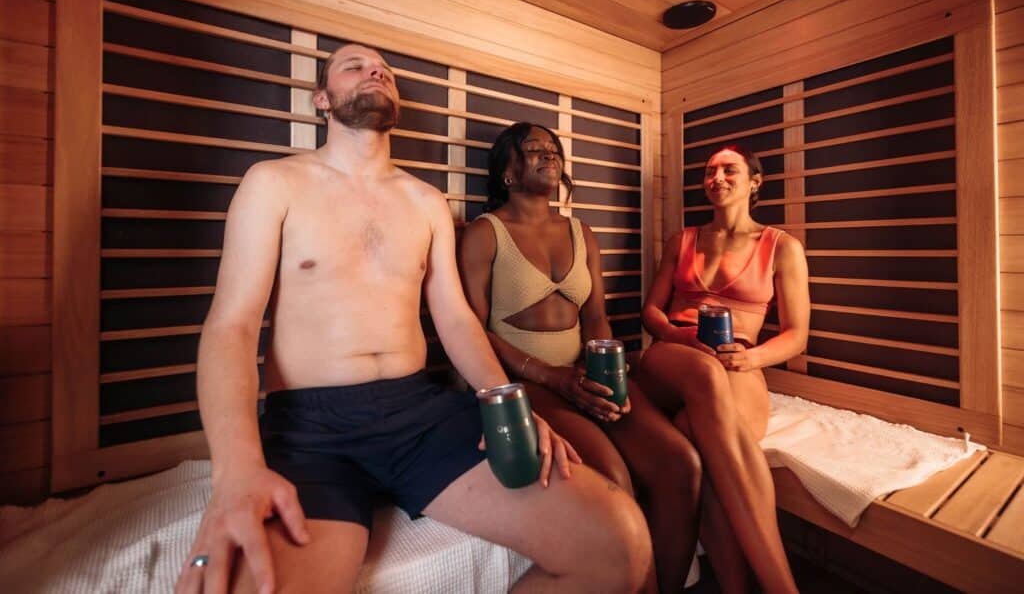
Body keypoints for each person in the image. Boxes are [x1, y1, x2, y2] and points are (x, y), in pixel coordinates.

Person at [175, 44, 652, 594]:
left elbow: (455, 319)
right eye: (354, 66)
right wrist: (235, 471)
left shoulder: (425, 202)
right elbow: (231, 325)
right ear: (322, 100)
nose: (376, 70)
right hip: (312, 431)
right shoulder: (274, 183)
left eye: (385, 69)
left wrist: (507, 404)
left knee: (619, 543)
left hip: (420, 414)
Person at [458, 122, 701, 593]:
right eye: (534, 149)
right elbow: (473, 330)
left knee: (681, 466)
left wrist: (599, 370)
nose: (549, 155)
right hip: (523, 385)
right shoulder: (485, 234)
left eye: (554, 150)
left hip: (581, 376)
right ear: (507, 171)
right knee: (614, 480)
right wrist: (551, 377)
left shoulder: (580, 231)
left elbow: (595, 316)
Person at [635, 144, 809, 594]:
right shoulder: (683, 240)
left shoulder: (782, 248)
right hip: (673, 356)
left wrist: (750, 358)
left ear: (755, 182)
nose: (716, 177)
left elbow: (795, 335)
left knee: (702, 438)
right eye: (710, 171)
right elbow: (651, 313)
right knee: (706, 380)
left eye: (729, 169)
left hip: (738, 360)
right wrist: (681, 337)